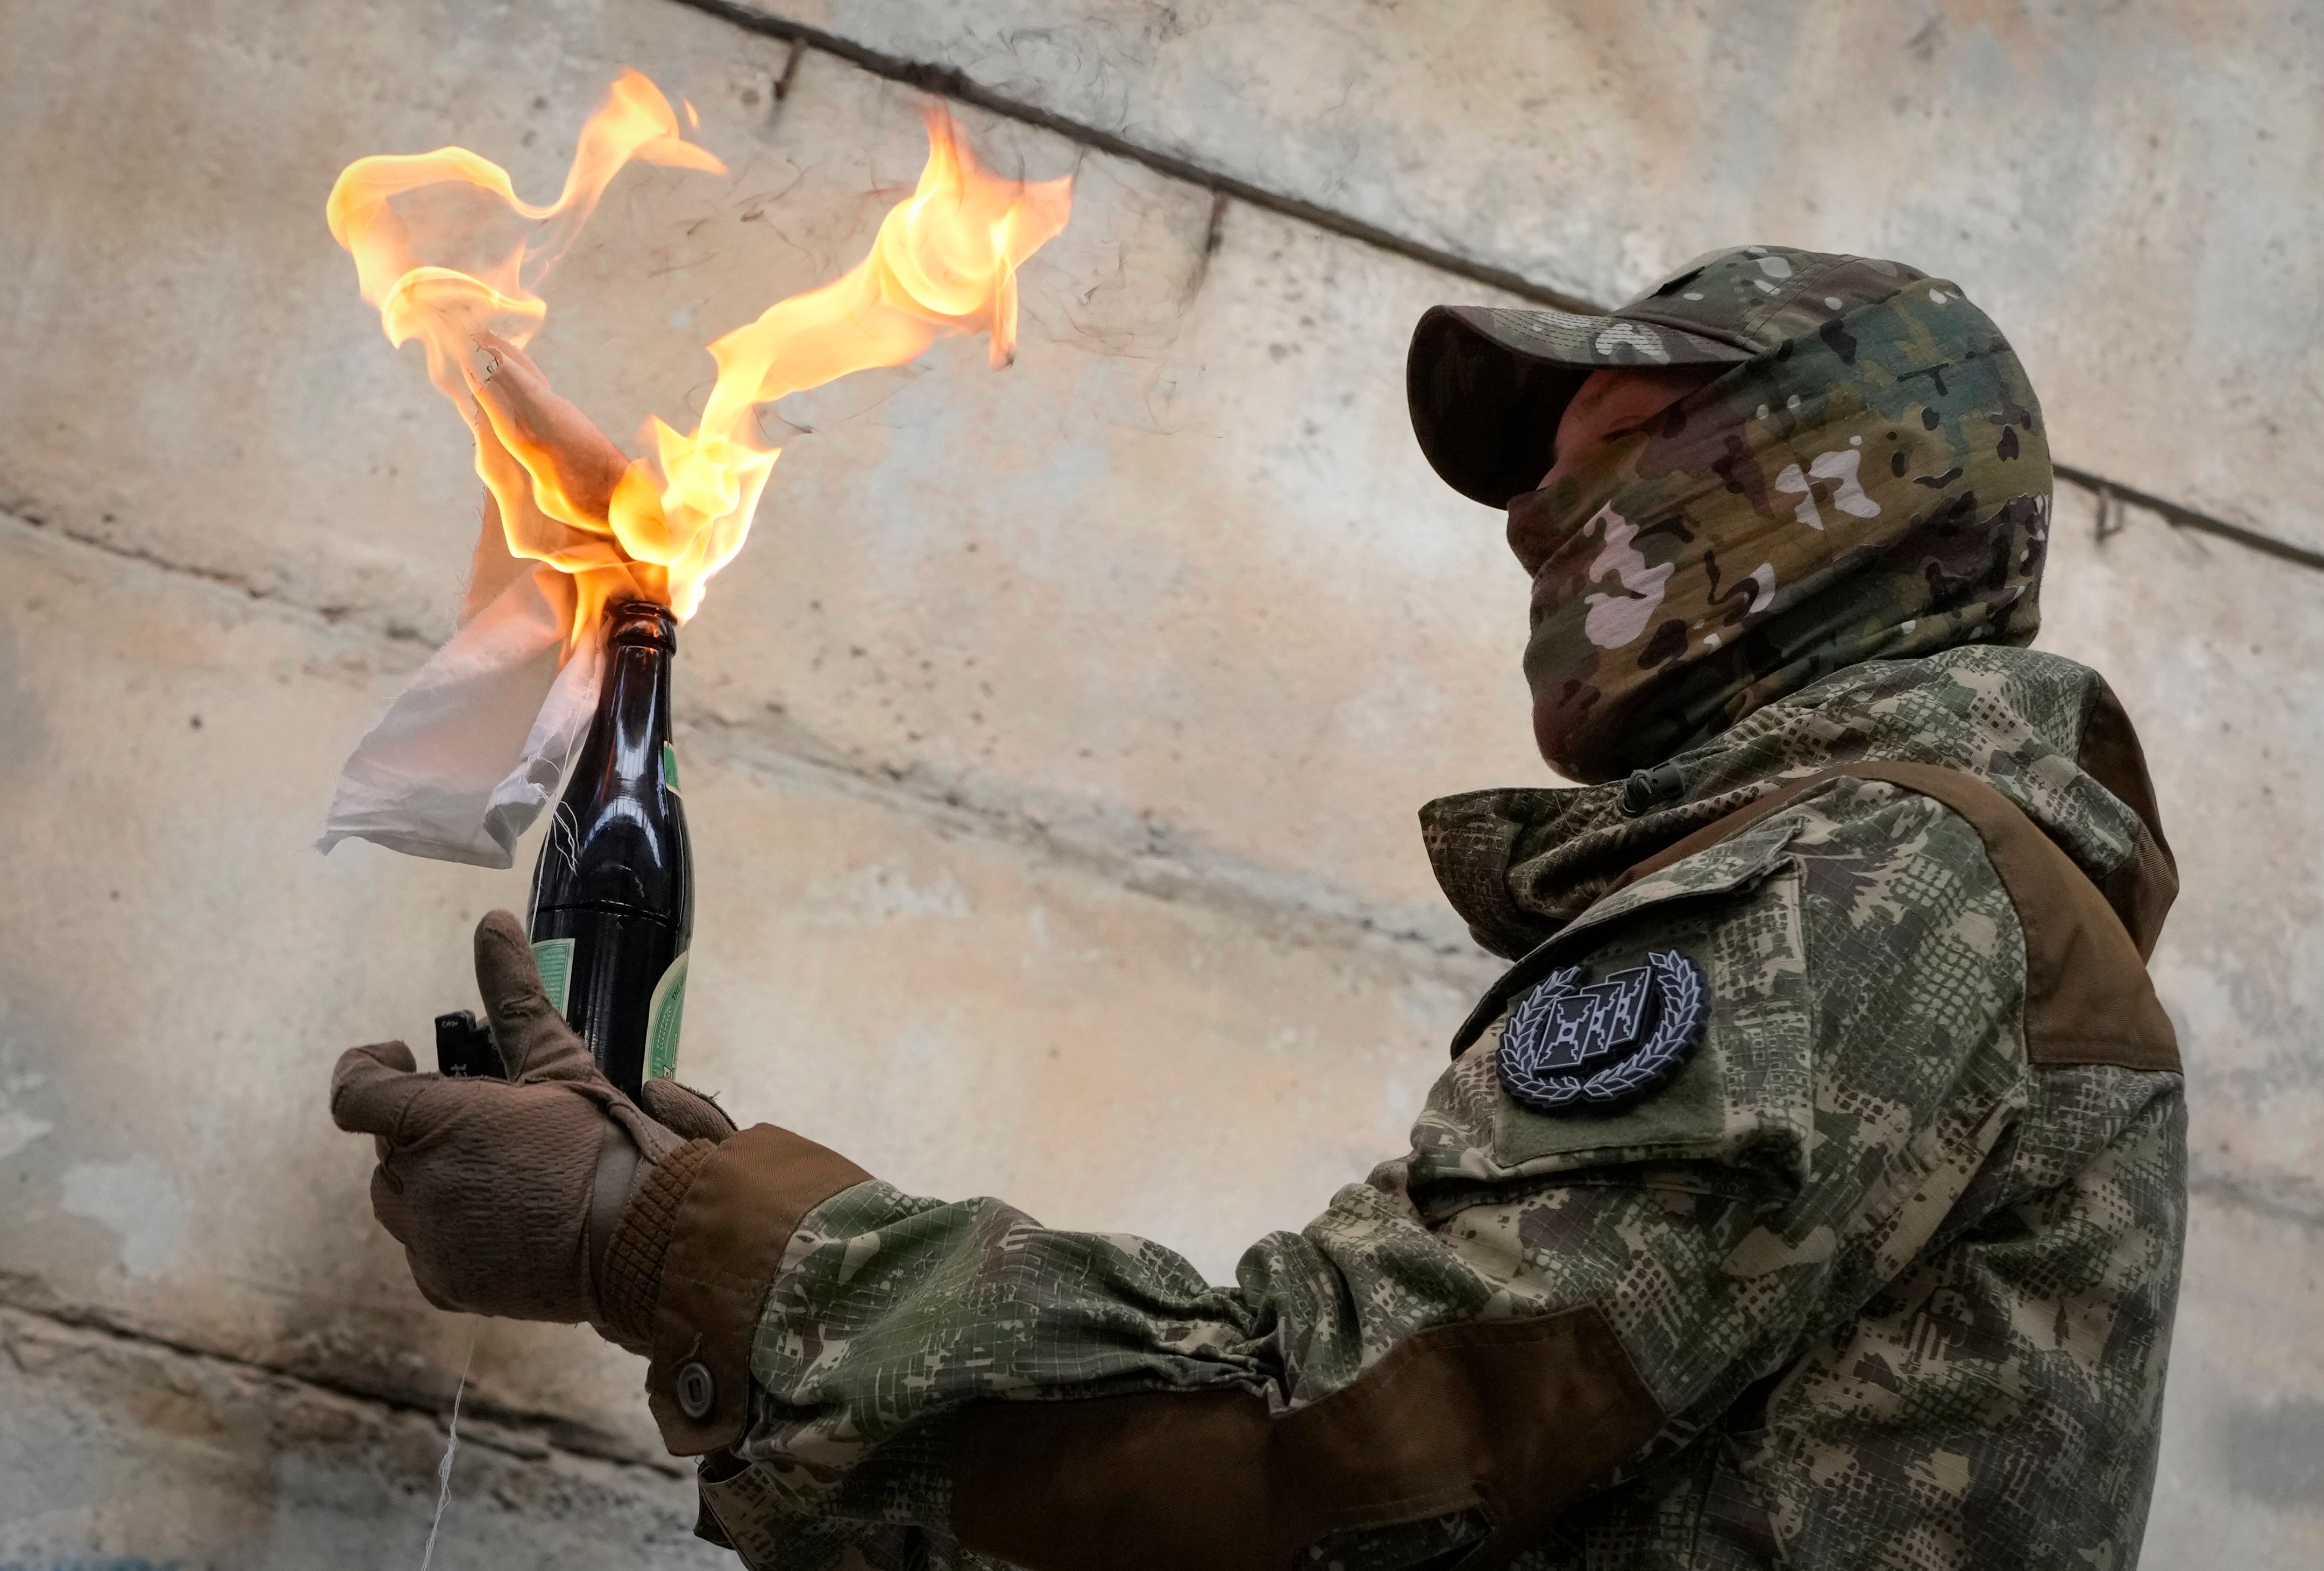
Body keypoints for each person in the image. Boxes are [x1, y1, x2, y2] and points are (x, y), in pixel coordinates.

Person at [331, 245, 2186, 1570]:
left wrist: (655, 1234)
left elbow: (1337, 1437)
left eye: (1599, 447)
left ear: (1816, 491)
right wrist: (688, 1237)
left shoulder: (1861, 879)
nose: (1534, 513)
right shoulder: (1928, 886)